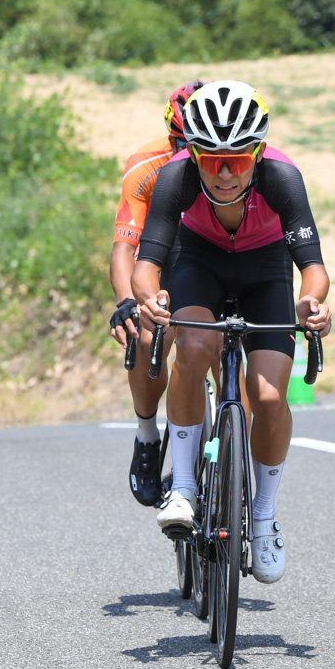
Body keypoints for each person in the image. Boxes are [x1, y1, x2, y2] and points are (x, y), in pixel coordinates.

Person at [132, 80, 332, 585]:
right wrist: (150, 298)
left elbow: (312, 267)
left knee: (267, 397)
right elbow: (148, 262)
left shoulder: (284, 179)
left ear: (258, 155)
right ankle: (184, 490)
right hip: (201, 263)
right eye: (211, 159)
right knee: (195, 343)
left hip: (265, 271)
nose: (223, 173)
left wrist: (311, 302)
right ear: (192, 153)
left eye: (238, 161)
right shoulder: (174, 179)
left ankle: (262, 517)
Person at [109, 81, 203, 507]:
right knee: (147, 338)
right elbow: (125, 249)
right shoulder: (146, 165)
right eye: (183, 144)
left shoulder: (232, 161)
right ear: (172, 135)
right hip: (161, 257)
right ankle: (148, 437)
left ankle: (223, 442)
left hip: (215, 257)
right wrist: (126, 302)